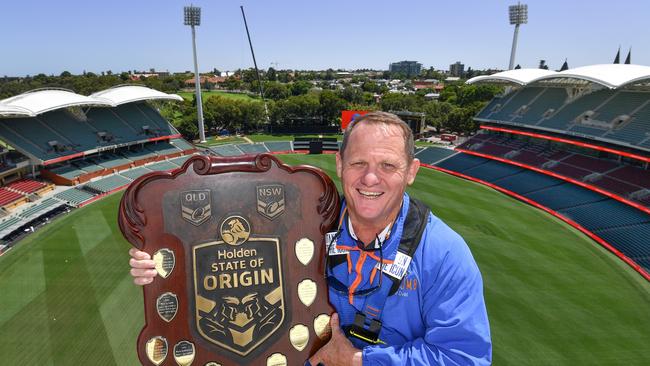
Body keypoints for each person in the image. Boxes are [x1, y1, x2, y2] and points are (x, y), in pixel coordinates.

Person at [129, 111, 492, 365]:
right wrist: (163, 271)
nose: (370, 179)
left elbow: (463, 358)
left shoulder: (445, 254)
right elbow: (225, 253)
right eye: (358, 164)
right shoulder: (303, 227)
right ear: (339, 164)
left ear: (411, 172)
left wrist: (359, 361)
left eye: (387, 166)